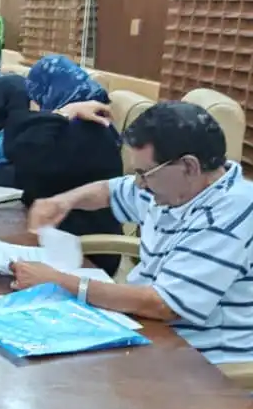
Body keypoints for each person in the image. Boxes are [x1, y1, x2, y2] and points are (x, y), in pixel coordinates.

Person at [16, 101, 253, 365]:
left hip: (200, 362)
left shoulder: (228, 215)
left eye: (144, 173)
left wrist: (59, 282)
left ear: (189, 166)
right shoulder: (178, 188)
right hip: (150, 332)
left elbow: (164, 305)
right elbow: (110, 190)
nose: (139, 183)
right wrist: (63, 201)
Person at [0, 56, 123, 273]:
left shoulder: (87, 129)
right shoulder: (69, 126)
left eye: (34, 97)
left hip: (86, 251)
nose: (34, 106)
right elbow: (23, 172)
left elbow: (24, 156)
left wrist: (64, 112)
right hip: (59, 236)